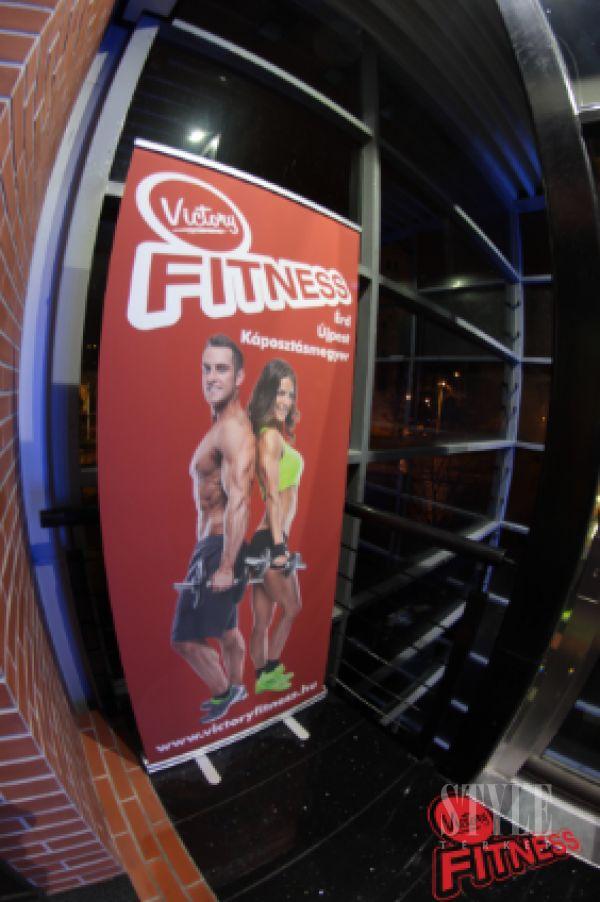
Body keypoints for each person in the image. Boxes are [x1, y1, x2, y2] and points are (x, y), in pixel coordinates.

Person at [171, 334, 255, 723]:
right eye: (206, 368)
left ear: (239, 377)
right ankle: (238, 684)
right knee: (227, 629)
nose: (211, 376)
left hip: (220, 548)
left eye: (221, 368)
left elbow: (239, 499)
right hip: (216, 545)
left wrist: (225, 565)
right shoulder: (219, 426)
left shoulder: (232, 430)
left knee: (185, 640)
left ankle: (224, 694)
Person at [247, 359, 304, 693]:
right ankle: (271, 668)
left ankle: (261, 678)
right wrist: (280, 548)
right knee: (292, 607)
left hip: (265, 539)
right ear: (267, 393)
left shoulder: (270, 435)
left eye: (290, 394)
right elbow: (271, 495)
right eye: (280, 393)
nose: (286, 401)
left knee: (262, 621)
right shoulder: (269, 437)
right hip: (271, 540)